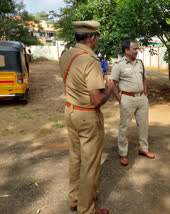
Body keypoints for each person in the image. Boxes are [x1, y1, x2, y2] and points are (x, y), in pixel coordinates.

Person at [59, 20, 114, 214]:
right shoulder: (90, 61)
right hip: (87, 116)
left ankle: (75, 199)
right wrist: (109, 89)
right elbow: (96, 100)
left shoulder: (67, 54)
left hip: (70, 111)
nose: (97, 40)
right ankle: (86, 209)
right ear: (92, 37)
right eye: (96, 37)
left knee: (76, 159)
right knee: (90, 164)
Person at [110, 40, 155, 166]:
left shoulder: (140, 63)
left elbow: (144, 78)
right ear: (126, 50)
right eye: (135, 49)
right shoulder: (118, 65)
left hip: (141, 99)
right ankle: (123, 154)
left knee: (143, 125)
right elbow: (112, 83)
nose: (137, 51)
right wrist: (119, 99)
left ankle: (143, 149)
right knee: (124, 127)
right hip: (127, 99)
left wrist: (145, 92)